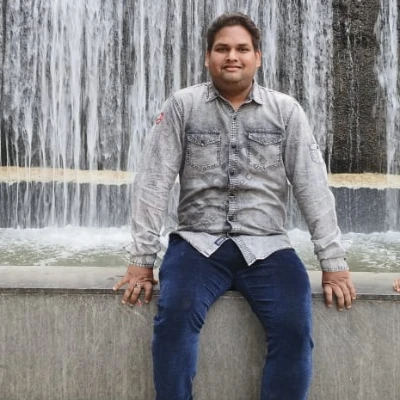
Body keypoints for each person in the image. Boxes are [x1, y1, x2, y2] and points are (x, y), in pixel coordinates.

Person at [113, 11, 356, 400]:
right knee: (173, 322)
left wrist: (334, 264)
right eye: (222, 48)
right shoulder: (182, 106)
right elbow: (154, 181)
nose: (232, 56)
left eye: (242, 49)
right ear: (207, 57)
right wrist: (141, 260)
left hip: (268, 247)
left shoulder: (286, 111)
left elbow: (312, 186)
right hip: (196, 245)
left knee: (294, 329)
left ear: (257, 57)